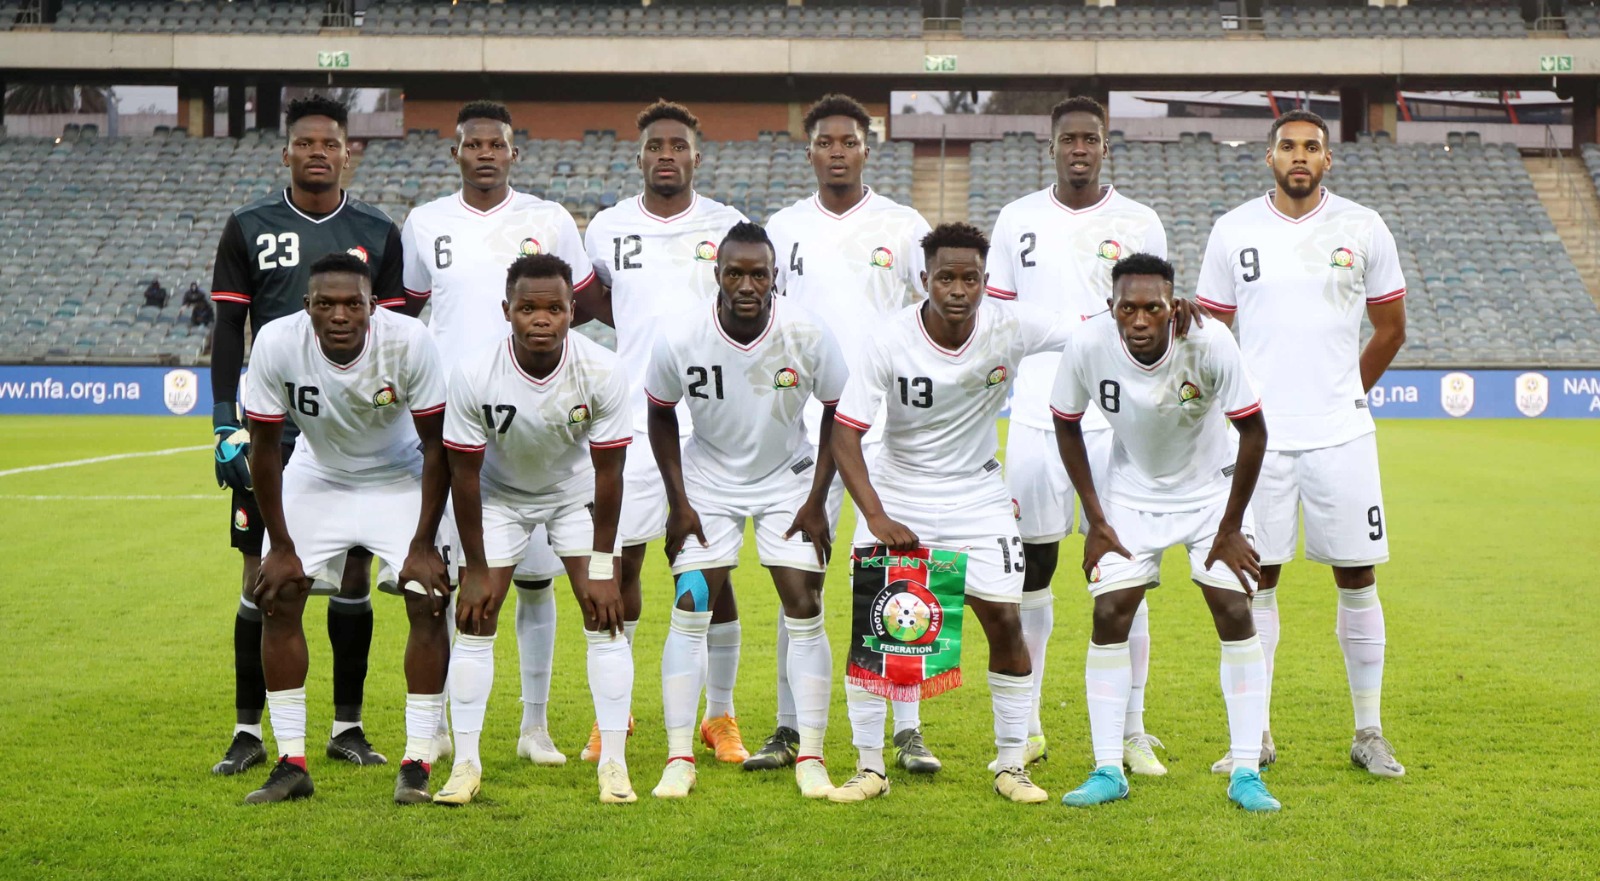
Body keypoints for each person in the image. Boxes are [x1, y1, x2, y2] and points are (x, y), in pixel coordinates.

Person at [1196, 110, 1408, 777]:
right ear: (1269, 157)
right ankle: (1255, 733)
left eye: (1312, 146)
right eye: (1288, 145)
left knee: (1357, 574)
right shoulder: (1233, 230)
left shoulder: (1363, 226)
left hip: (1341, 433)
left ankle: (1368, 730)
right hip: (1258, 439)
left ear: (1327, 160)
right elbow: (1211, 334)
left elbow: (1391, 328)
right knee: (1259, 576)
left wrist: (1347, 389)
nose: (1299, 155)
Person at [829, 222, 1071, 805]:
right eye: (945, 277)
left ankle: (1012, 764)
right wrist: (878, 515)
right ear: (924, 280)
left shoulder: (1010, 325)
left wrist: (1169, 315)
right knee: (877, 633)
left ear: (987, 282)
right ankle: (869, 768)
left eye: (970, 278)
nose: (958, 289)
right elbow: (845, 435)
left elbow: (1094, 331)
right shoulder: (889, 338)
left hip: (978, 497)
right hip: (900, 490)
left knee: (1005, 622)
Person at [208, 94, 412, 776]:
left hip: (354, 432)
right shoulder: (248, 226)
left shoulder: (379, 231)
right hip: (273, 430)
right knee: (263, 573)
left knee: (354, 569)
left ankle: (346, 726)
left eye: (331, 142)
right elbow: (228, 329)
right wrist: (222, 419)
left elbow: (395, 336)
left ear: (349, 151)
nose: (318, 151)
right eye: (306, 143)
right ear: (286, 152)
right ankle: (247, 730)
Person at [402, 99, 596, 767]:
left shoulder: (548, 221)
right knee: (454, 583)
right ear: (455, 152)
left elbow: (586, 303)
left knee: (537, 585)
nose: (484, 151)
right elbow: (407, 313)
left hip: (538, 431)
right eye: (472, 142)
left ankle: (534, 726)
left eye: (496, 143)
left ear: (515, 153)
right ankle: (447, 725)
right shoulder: (424, 223)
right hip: (457, 429)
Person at [1051, 252, 1279, 812]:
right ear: (1111, 308)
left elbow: (1254, 433)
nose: (1140, 321)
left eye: (1153, 308)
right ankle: (1108, 767)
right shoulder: (1087, 345)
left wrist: (1229, 528)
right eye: (1127, 308)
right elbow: (1065, 423)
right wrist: (1096, 519)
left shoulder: (1210, 342)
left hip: (1210, 491)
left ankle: (1246, 771)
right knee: (1110, 612)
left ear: (1172, 306)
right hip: (1131, 492)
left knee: (1232, 608)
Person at [985, 95, 1171, 776]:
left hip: (1119, 422)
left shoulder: (1139, 220)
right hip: (1036, 415)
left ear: (1105, 145)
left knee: (1127, 574)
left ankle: (1131, 729)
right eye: (1069, 139)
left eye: (1091, 138)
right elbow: (997, 329)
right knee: (1032, 568)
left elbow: (1159, 320)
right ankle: (1029, 724)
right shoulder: (1017, 220)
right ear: (1052, 145)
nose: (1080, 149)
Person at [765, 92, 939, 774]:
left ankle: (909, 728)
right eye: (825, 141)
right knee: (797, 581)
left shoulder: (902, 225)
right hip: (802, 430)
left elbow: (927, 323)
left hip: (885, 432)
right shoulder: (781, 228)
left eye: (849, 141)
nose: (837, 151)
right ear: (809, 151)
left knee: (896, 580)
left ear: (868, 148)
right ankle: (788, 725)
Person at [238, 252, 452, 805]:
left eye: (352, 303)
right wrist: (281, 545)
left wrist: (423, 543)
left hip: (399, 473)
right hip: (319, 472)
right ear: (305, 306)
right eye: (325, 304)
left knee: (428, 597)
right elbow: (264, 449)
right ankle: (291, 762)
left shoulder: (409, 341)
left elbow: (437, 449)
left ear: (372, 306)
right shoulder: (277, 342)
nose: (338, 314)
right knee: (278, 594)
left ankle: (418, 762)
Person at [643, 222, 846, 800]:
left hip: (788, 480)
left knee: (803, 603)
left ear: (776, 276)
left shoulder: (806, 332)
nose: (747, 284)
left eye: (759, 273)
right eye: (736, 272)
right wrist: (679, 503)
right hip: (707, 478)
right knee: (691, 603)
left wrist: (815, 502)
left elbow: (838, 411)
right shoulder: (681, 335)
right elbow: (660, 413)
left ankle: (811, 754)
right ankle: (680, 755)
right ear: (718, 275)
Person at [578, 100, 751, 765]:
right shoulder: (609, 227)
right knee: (619, 568)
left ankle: (720, 715)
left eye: (679, 145)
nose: (667, 154)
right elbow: (596, 304)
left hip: (709, 423)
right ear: (641, 155)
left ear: (697, 157)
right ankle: (611, 719)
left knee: (712, 572)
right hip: (630, 417)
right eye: (656, 145)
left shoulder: (729, 224)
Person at [437, 254, 634, 805]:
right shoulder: (475, 372)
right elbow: (464, 477)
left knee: (605, 617)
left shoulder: (602, 369)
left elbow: (609, 472)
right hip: (498, 497)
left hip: (574, 496)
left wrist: (601, 566)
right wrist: (475, 570)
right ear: (507, 311)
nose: (540, 319)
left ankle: (614, 766)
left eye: (554, 308)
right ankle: (467, 765)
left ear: (575, 311)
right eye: (527, 308)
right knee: (476, 617)